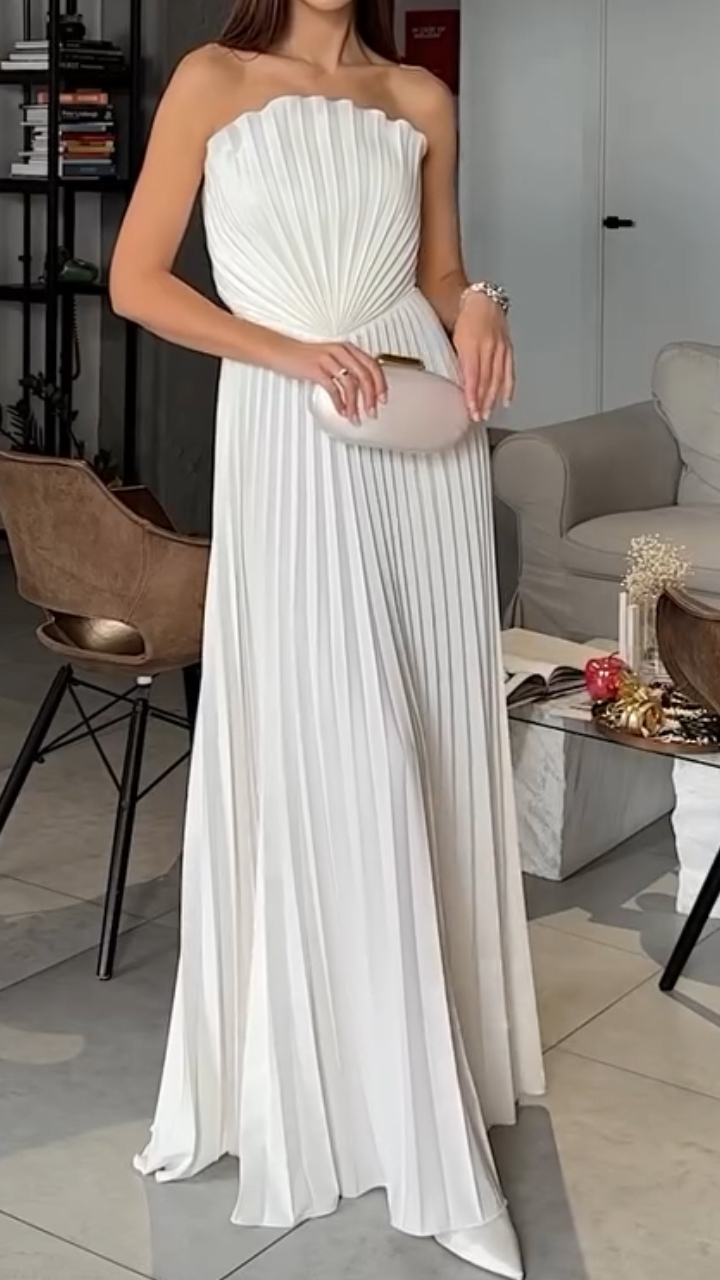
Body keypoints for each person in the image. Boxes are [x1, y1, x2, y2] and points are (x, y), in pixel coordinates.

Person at [110, 2, 545, 1276]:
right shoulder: (214, 76)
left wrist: (483, 306)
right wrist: (291, 352)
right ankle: (387, 1119)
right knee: (340, 741)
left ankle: (429, 1084)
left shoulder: (418, 97)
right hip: (292, 418)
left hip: (419, 424)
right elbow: (140, 280)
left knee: (425, 736)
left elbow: (441, 272)